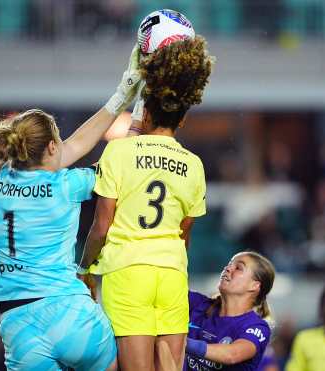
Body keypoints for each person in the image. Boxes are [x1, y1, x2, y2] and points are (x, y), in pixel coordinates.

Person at [0, 44, 143, 371]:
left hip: (17, 324)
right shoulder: (66, 185)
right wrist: (136, 105)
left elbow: (74, 146)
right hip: (68, 312)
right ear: (52, 147)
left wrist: (119, 95)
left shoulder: (6, 178)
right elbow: (122, 161)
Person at [78, 35, 214, 371]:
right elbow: (185, 234)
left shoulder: (119, 151)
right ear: (182, 120)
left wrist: (85, 268)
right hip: (170, 273)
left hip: (127, 273)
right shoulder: (194, 164)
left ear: (146, 110)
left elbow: (102, 226)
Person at [184, 251, 275, 371]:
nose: (227, 268)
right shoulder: (198, 304)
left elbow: (232, 354)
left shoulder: (257, 327)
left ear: (254, 286)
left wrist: (181, 342)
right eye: (229, 264)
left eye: (238, 268)